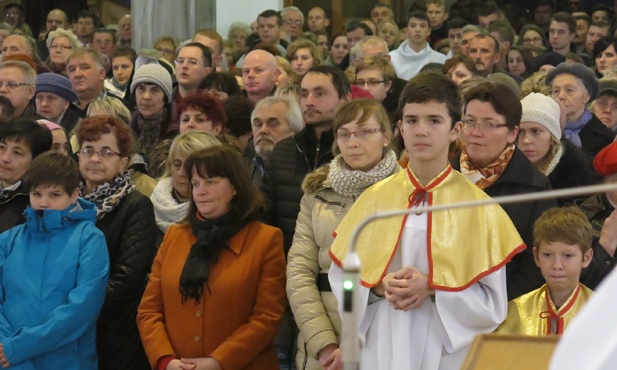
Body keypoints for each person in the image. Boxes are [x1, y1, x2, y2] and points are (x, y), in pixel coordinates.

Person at [328, 72, 524, 370]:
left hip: (445, 348)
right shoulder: (374, 200)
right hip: (382, 341)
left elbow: (492, 305)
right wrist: (377, 287)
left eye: (434, 120)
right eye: (412, 120)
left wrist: (433, 288)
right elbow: (342, 280)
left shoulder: (479, 208)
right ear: (399, 129)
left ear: (455, 129)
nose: (421, 131)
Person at [138, 145, 286, 370]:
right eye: (195, 184)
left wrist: (219, 362)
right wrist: (165, 360)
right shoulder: (174, 237)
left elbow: (268, 317)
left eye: (211, 182)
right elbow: (149, 310)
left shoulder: (265, 239)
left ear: (235, 186)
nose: (200, 191)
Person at [287, 99, 399, 370]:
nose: (353, 141)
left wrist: (353, 342)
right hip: (320, 332)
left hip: (380, 329)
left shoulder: (404, 191)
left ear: (386, 136)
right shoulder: (318, 192)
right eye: (345, 133)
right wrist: (324, 344)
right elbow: (299, 271)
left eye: (364, 132)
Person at [0, 152, 109, 370]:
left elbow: (83, 310)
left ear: (74, 194)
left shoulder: (90, 238)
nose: (44, 203)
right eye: (37, 193)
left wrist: (21, 346)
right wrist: (8, 349)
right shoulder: (8, 240)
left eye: (55, 195)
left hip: (68, 361)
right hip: (9, 360)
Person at [451, 82, 556, 300]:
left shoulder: (534, 187)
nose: (475, 133)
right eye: (470, 122)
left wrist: (491, 306)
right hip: (438, 301)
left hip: (503, 307)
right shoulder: (443, 174)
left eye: (489, 124)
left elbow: (535, 264)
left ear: (512, 133)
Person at [76, 115, 156, 370]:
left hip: (115, 333)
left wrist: (77, 311)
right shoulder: (67, 201)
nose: (95, 159)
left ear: (123, 162)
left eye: (106, 152)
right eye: (88, 150)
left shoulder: (136, 205)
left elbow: (127, 278)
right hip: (67, 328)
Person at [497, 207, 594, 335]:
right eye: (548, 255)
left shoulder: (602, 311)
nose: (557, 265)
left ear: (586, 258)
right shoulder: (516, 312)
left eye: (568, 256)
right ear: (537, 256)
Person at [517, 93, 597, 206]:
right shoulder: (504, 169)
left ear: (553, 136)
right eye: (520, 132)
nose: (526, 140)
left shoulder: (577, 176)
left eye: (535, 131)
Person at [150, 131, 220, 237]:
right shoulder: (152, 203)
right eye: (177, 164)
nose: (182, 173)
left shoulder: (220, 209)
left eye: (190, 165)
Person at [546, 62, 616, 158]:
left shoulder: (607, 139)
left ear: (586, 96)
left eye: (569, 90)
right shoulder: (543, 131)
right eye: (556, 91)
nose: (561, 96)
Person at [0, 119, 52, 233]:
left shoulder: (36, 202)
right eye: (2, 147)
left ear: (36, 160)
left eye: (17, 153)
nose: (5, 158)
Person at [129, 63, 175, 160]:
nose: (146, 97)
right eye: (141, 88)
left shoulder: (178, 128)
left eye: (155, 90)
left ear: (165, 97)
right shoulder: (126, 125)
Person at [389, 11, 446, 80]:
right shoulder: (392, 58)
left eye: (422, 26)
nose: (417, 30)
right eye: (413, 26)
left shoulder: (440, 60)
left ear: (429, 31)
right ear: (406, 30)